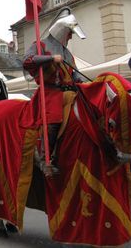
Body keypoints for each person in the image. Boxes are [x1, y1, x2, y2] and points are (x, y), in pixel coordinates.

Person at [23, 10, 86, 176]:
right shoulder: (41, 45)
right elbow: (27, 61)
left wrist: (84, 82)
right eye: (70, 33)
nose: (71, 37)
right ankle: (45, 160)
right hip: (51, 93)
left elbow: (75, 73)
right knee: (53, 122)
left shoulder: (67, 53)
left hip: (70, 93)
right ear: (62, 31)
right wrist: (50, 59)